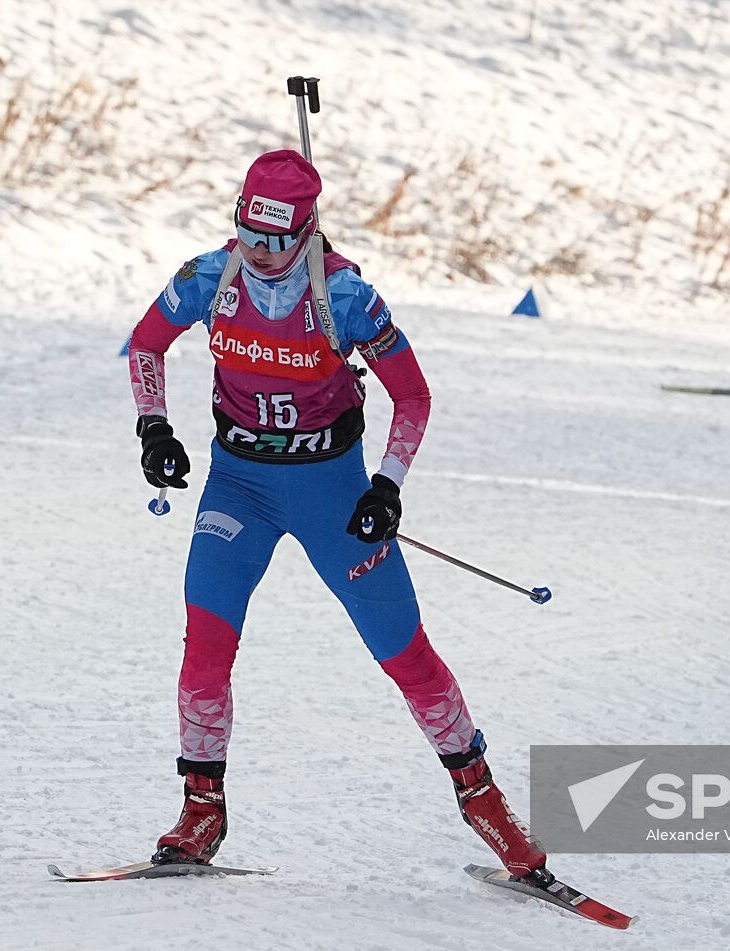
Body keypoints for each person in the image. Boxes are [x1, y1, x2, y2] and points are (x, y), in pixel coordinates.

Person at [126, 149, 547, 881]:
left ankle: (485, 801)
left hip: (333, 495)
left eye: (276, 240)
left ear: (307, 230)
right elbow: (146, 345)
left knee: (403, 651)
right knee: (204, 647)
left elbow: (412, 396)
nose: (258, 253)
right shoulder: (208, 277)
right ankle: (202, 808)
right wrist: (154, 428)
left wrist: (387, 487)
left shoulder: (346, 297)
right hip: (239, 488)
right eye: (247, 234)